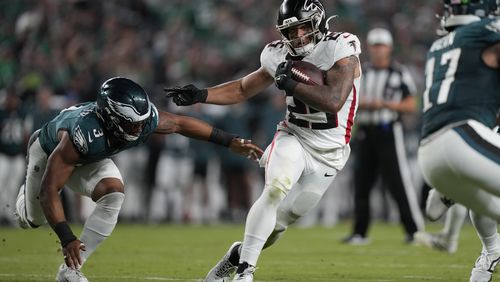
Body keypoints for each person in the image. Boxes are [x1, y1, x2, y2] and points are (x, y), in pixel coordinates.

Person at [165, 0, 361, 280]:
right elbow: (243, 89)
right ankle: (245, 272)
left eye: (302, 29)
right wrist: (201, 95)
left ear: (317, 23)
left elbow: (334, 101)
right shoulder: (277, 54)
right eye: (290, 32)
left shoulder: (340, 46)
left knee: (278, 226)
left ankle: (236, 256)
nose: (297, 37)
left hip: (330, 152)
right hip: (294, 136)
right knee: (274, 189)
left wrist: (291, 83)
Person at [14, 77, 263, 282]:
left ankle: (70, 271)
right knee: (34, 220)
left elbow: (179, 123)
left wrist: (229, 141)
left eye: (142, 123)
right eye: (131, 125)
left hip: (90, 157)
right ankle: (24, 201)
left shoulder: (139, 121)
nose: (139, 129)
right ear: (110, 118)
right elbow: (49, 190)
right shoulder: (83, 133)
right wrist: (67, 237)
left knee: (114, 193)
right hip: (48, 154)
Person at [417, 0, 500, 280]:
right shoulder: (481, 33)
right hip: (462, 138)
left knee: (486, 206)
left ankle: (488, 253)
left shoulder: (439, 46)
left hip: (431, 155)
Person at [342, 27, 424, 245]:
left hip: (389, 131)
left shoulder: (399, 72)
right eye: (375, 46)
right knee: (361, 184)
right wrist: (364, 105)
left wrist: (386, 104)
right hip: (366, 133)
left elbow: (411, 104)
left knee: (399, 183)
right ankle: (360, 232)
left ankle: (414, 231)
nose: (378, 50)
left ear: (389, 48)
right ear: (369, 48)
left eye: (382, 45)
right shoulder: (362, 71)